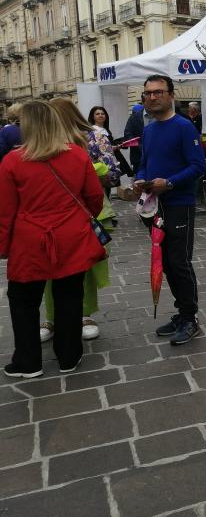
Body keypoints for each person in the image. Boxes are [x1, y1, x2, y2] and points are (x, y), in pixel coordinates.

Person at [0, 101, 105, 378]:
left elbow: (5, 211)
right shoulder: (78, 155)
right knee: (69, 295)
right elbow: (94, 198)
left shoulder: (12, 161)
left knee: (23, 300)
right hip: (71, 235)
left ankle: (28, 361)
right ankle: (69, 356)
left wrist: (3, 246)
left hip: (29, 239)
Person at [134, 74, 206, 345]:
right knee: (164, 263)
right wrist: (141, 178)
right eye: (148, 93)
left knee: (179, 262)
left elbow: (197, 166)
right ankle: (182, 312)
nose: (152, 97)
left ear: (171, 95)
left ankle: (190, 318)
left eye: (158, 92)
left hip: (179, 205)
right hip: (154, 206)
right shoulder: (149, 130)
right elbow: (143, 162)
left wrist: (171, 183)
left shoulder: (184, 127)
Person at [46, 98, 121, 342]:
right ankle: (51, 317)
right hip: (49, 211)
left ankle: (85, 314)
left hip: (88, 208)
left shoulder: (94, 135)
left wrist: (86, 167)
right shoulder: (42, 138)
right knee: (49, 265)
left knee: (85, 266)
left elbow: (111, 172)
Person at [124, 94, 153, 173]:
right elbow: (127, 135)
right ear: (143, 103)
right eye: (149, 102)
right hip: (139, 158)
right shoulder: (134, 117)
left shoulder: (160, 116)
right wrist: (140, 147)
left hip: (158, 158)